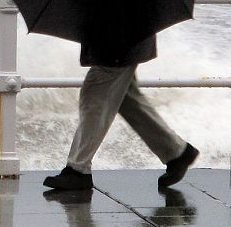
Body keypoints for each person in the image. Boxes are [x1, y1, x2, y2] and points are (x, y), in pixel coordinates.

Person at [42, 24, 198, 193]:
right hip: (124, 36)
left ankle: (78, 169)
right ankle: (176, 152)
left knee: (95, 94)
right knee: (126, 98)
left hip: (120, 38)